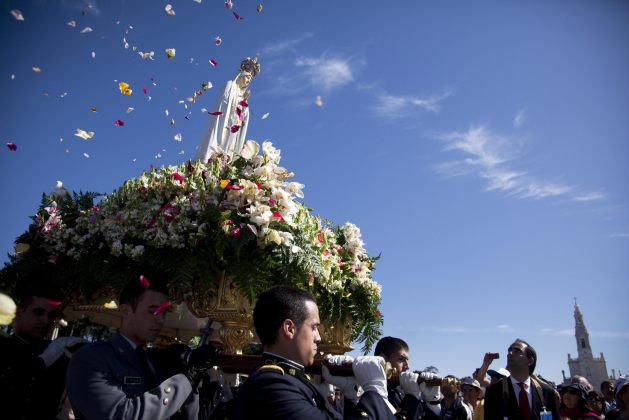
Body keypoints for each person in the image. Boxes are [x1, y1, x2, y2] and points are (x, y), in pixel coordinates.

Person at [66, 269, 218, 420]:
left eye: (164, 313)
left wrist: (186, 377)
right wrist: (186, 379)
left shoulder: (155, 361)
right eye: (153, 312)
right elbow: (123, 415)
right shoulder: (90, 359)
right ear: (125, 311)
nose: (160, 320)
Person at [232, 285, 398, 419]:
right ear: (289, 329)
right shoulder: (272, 386)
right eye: (314, 328)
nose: (319, 338)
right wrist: (375, 392)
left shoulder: (289, 380)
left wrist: (352, 396)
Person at [0, 269, 85, 420]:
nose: (46, 320)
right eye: (38, 312)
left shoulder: (63, 354)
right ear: (20, 313)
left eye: (51, 315)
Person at [195, 57, 260, 161]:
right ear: (241, 74)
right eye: (247, 77)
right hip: (224, 123)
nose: (248, 81)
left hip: (234, 128)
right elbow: (224, 104)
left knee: (230, 151)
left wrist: (244, 102)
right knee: (220, 145)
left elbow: (243, 117)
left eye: (250, 80)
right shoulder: (230, 85)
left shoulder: (243, 95)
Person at [484, 339, 560, 420]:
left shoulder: (547, 392)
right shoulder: (494, 391)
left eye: (517, 351)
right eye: (509, 350)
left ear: (530, 360)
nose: (510, 354)